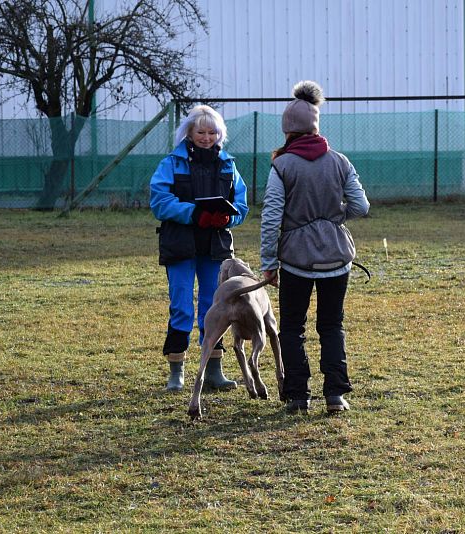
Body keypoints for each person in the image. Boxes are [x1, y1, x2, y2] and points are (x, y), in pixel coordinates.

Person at [260, 81, 370, 414]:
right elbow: (361, 206)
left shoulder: (282, 166)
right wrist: (334, 220)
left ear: (287, 130)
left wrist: (269, 262)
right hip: (338, 259)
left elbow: (271, 217)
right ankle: (336, 395)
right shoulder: (339, 160)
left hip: (295, 261)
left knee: (293, 327)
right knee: (332, 325)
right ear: (315, 125)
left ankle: (298, 397)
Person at [150, 105, 249, 391]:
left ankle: (213, 370)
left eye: (212, 132)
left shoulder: (229, 164)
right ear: (189, 133)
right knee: (181, 306)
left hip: (214, 247)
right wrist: (194, 214)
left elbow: (241, 204)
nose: (207, 137)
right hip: (180, 245)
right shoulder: (171, 163)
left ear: (220, 134)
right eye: (201, 132)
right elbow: (159, 201)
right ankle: (176, 370)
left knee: (214, 307)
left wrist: (229, 216)